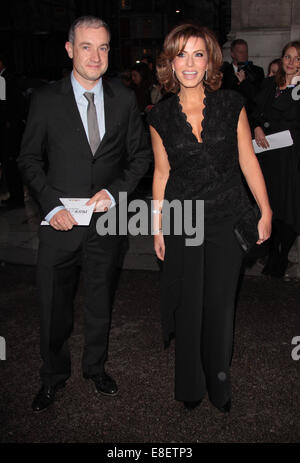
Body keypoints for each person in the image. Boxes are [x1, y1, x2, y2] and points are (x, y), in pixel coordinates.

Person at [18, 16, 150, 412]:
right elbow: (28, 158)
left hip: (107, 223)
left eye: (104, 47)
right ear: (70, 49)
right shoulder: (45, 99)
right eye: (87, 46)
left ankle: (95, 368)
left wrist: (116, 191)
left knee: (99, 302)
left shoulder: (125, 99)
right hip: (59, 224)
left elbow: (140, 156)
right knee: (53, 307)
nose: (96, 56)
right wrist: (51, 205)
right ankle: (52, 376)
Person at [147, 23, 272, 413]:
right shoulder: (160, 116)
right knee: (189, 305)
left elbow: (247, 159)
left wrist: (265, 209)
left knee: (219, 305)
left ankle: (219, 382)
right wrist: (157, 226)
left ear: (209, 61)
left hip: (225, 217)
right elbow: (162, 173)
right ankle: (190, 385)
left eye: (197, 54)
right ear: (169, 62)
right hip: (184, 219)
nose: (189, 62)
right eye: (180, 54)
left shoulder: (231, 104)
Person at [252, 41, 300, 277]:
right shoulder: (270, 83)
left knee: (288, 206)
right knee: (267, 203)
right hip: (267, 153)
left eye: (297, 58)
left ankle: (279, 258)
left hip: (291, 156)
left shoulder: (298, 87)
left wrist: (294, 85)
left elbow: (286, 111)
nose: (291, 62)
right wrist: (258, 126)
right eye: (288, 57)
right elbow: (256, 111)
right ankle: (271, 252)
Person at [0, 51, 26, 209]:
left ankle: (16, 198)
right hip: (12, 128)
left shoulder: (4, 79)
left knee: (10, 163)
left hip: (9, 130)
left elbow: (4, 107)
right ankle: (16, 196)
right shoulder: (8, 78)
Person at [222, 39, 265, 115]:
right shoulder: (224, 72)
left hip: (250, 114)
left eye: (246, 52)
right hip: (229, 113)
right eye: (241, 52)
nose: (244, 55)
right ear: (232, 54)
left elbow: (259, 95)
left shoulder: (257, 71)